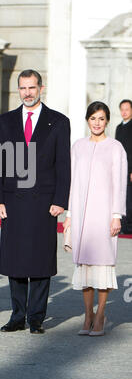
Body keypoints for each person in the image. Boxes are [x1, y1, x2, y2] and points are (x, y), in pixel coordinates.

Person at [0, 69, 71, 334]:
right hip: (13, 201)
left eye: (32, 88)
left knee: (39, 261)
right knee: (15, 260)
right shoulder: (5, 121)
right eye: (23, 88)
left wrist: (61, 200)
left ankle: (36, 318)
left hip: (44, 202)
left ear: (41, 88)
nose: (27, 93)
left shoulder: (58, 122)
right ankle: (17, 316)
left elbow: (64, 164)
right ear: (19, 90)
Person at [63, 101, 127, 336]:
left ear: (107, 120)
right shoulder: (78, 146)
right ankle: (88, 314)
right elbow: (72, 182)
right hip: (81, 213)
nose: (97, 123)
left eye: (101, 118)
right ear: (87, 120)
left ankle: (100, 315)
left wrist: (116, 215)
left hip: (104, 214)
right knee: (86, 265)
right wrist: (69, 215)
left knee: (102, 264)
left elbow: (120, 184)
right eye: (93, 118)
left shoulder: (116, 147)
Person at [115, 99, 132, 234]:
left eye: (127, 109)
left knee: (130, 198)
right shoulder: (119, 128)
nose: (124, 112)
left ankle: (129, 226)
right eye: (122, 109)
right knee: (122, 196)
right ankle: (124, 225)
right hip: (120, 167)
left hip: (130, 169)